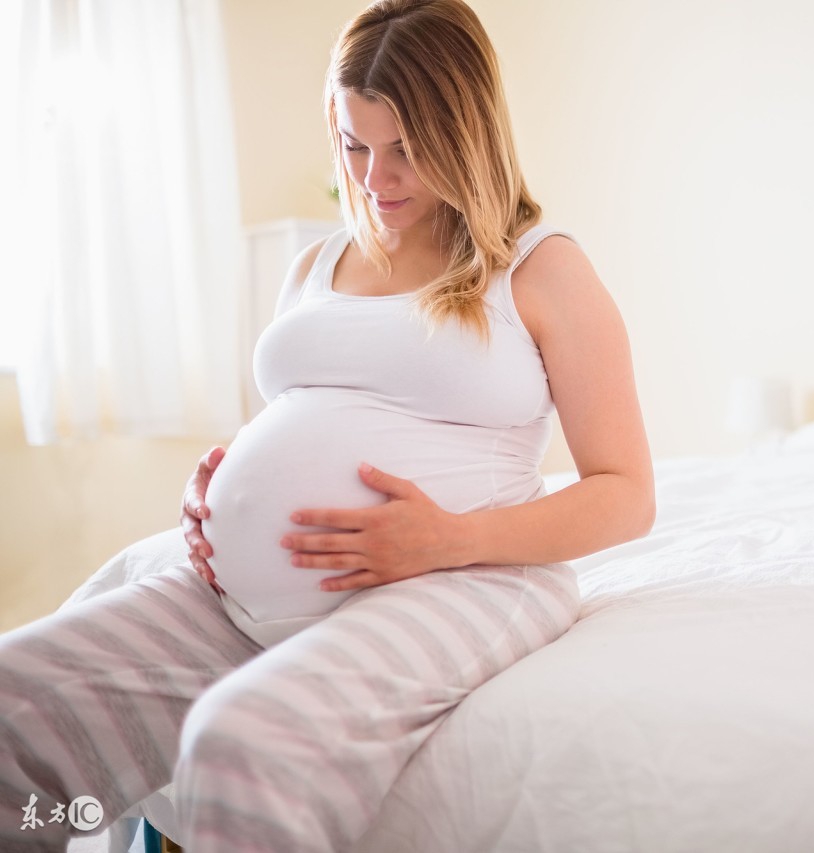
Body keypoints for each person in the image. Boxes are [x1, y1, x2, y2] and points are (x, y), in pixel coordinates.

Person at [0, 0, 654, 849]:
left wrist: (446, 539)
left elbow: (627, 493)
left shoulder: (540, 267)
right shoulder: (315, 263)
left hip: (467, 576)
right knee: (14, 700)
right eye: (355, 145)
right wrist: (217, 483)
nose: (375, 178)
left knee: (241, 746)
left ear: (468, 133)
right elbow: (301, 421)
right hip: (239, 596)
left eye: (407, 151)